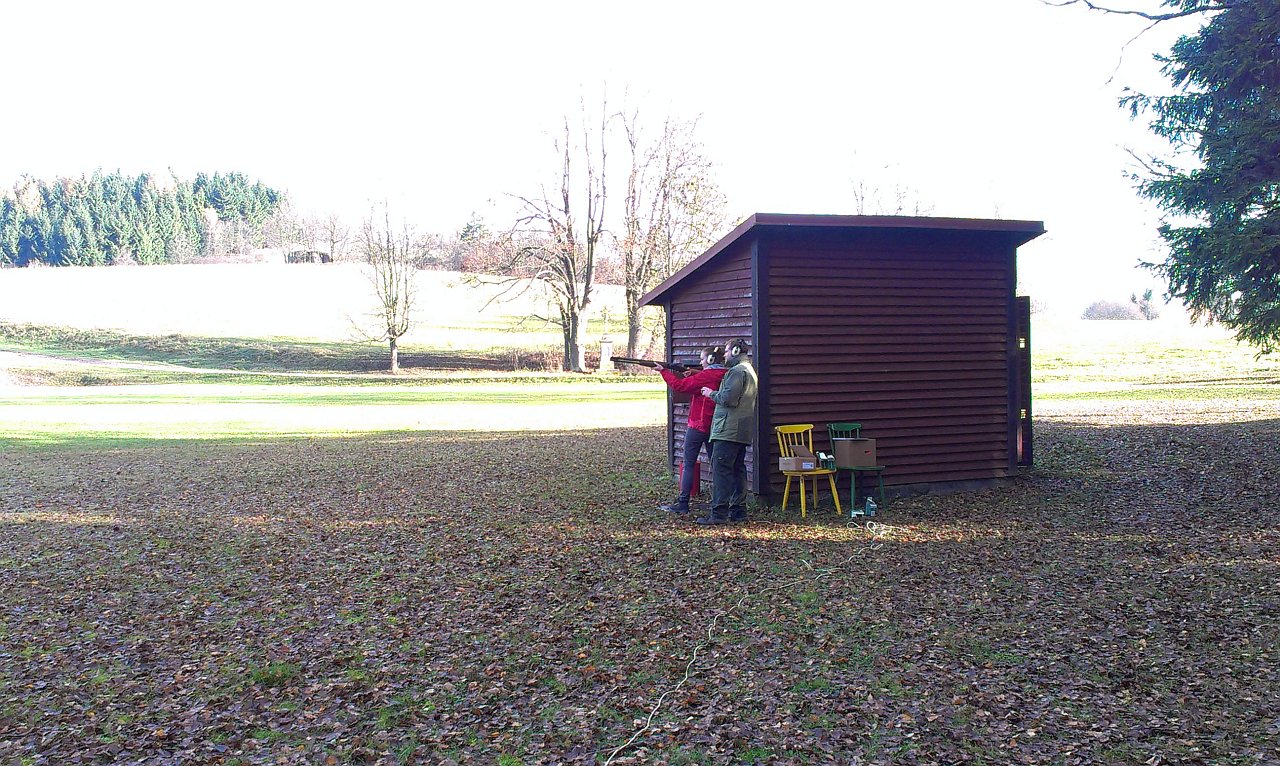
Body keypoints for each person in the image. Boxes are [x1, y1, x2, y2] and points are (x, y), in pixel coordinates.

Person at [654, 345, 728, 514]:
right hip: (716, 426)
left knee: (688, 464)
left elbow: (679, 386)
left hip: (698, 424)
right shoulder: (726, 374)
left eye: (702, 359)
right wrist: (695, 373)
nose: (700, 363)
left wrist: (663, 371)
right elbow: (707, 378)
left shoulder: (705, 376)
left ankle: (683, 502)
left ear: (710, 360)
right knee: (716, 465)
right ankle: (720, 503)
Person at [697, 336, 758, 525]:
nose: (724, 355)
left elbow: (728, 399)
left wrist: (711, 393)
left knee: (721, 471)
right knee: (738, 470)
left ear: (736, 351)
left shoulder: (736, 372)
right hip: (740, 430)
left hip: (728, 429)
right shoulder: (748, 370)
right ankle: (738, 511)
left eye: (727, 350)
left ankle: (719, 513)